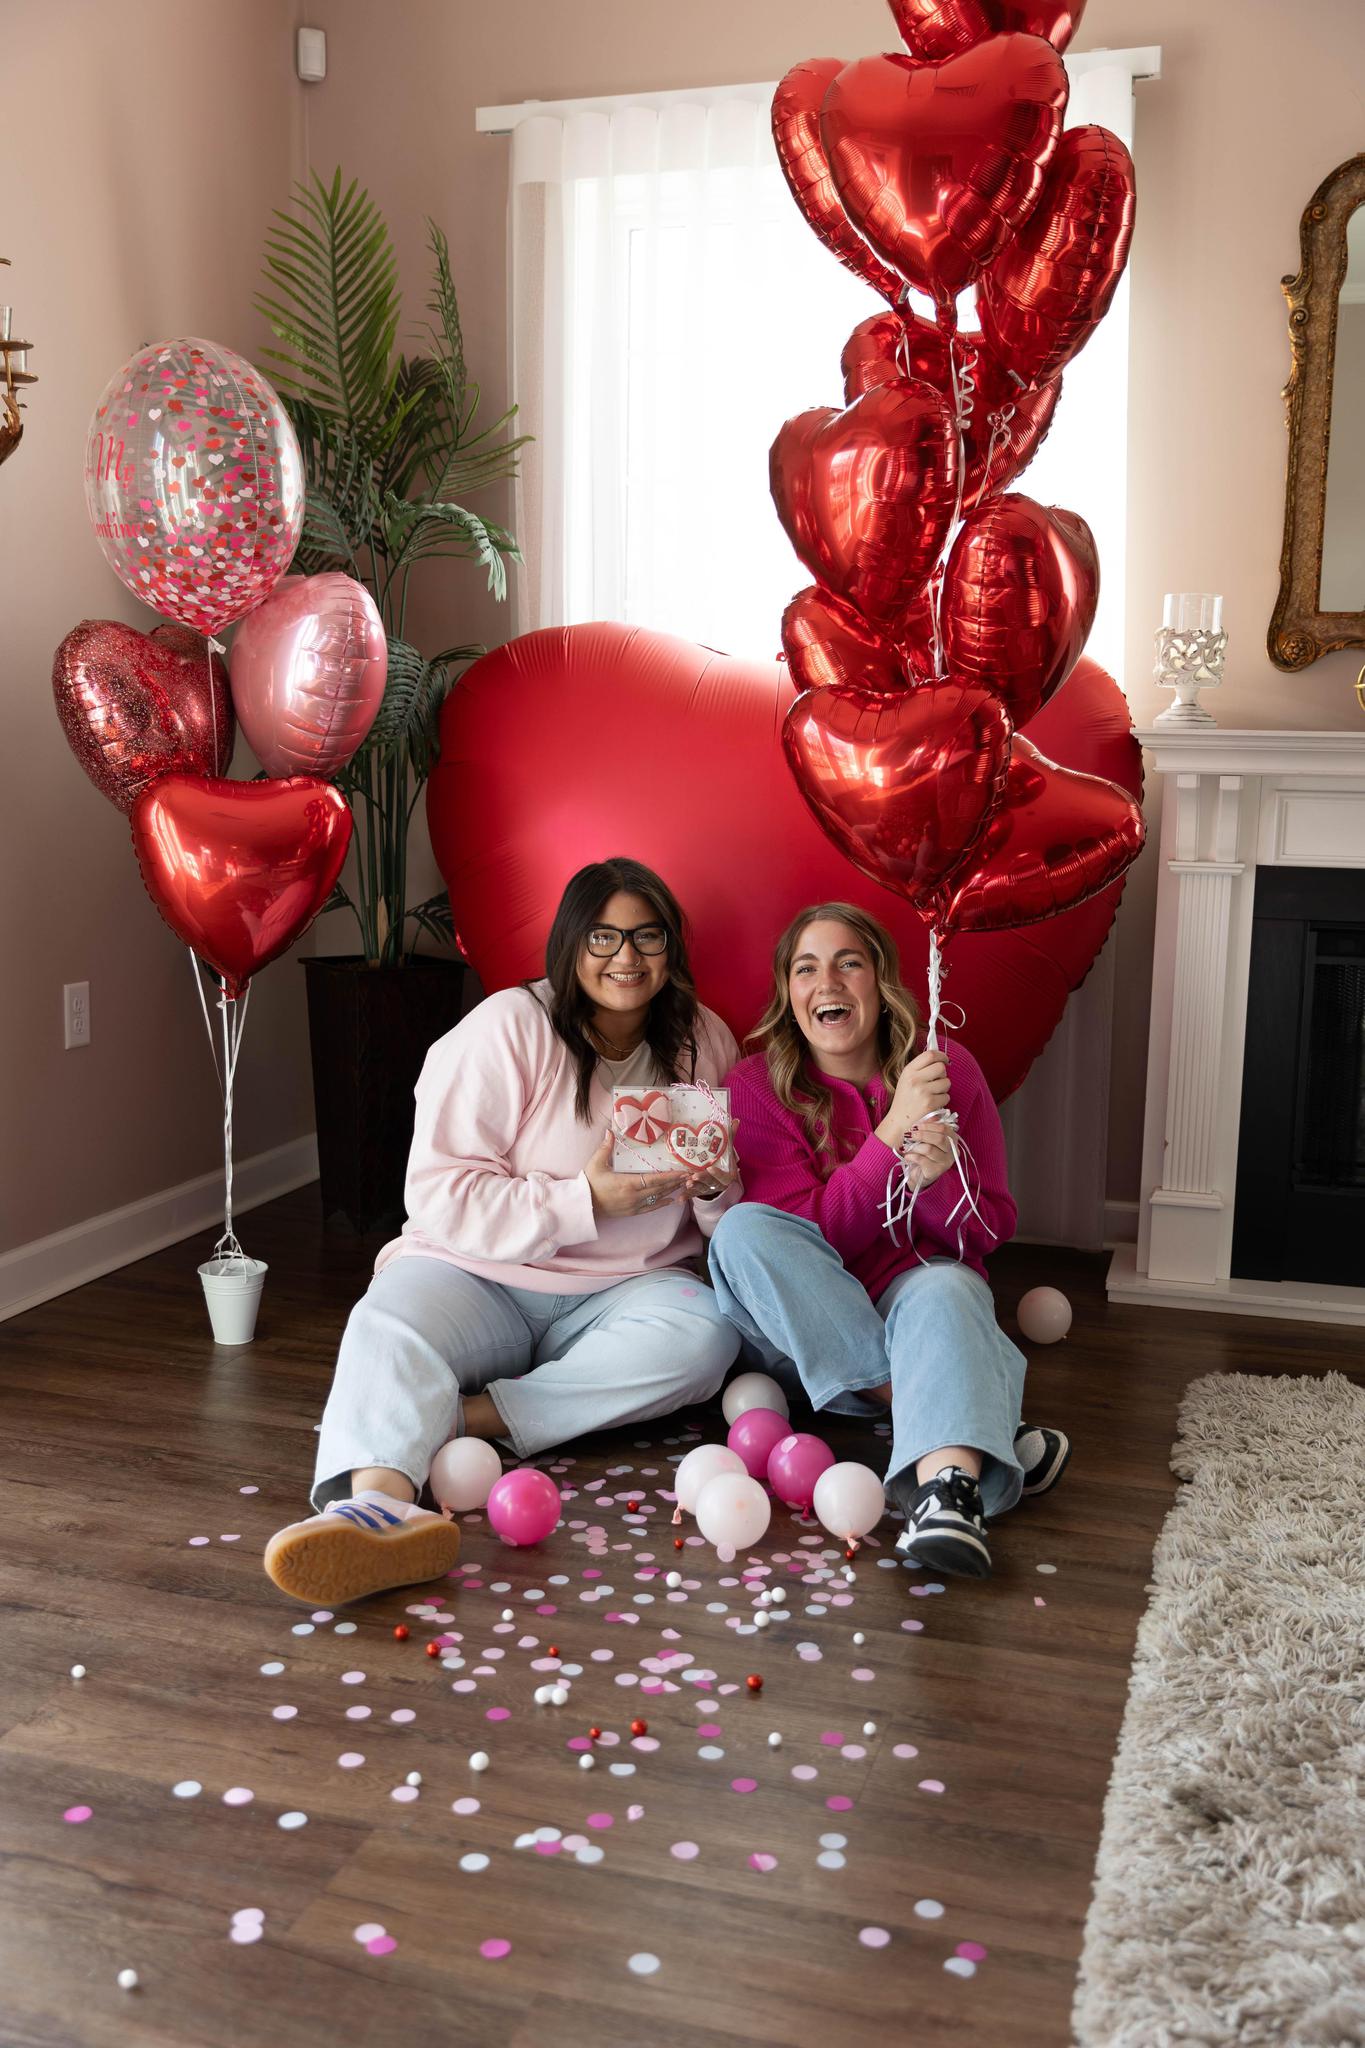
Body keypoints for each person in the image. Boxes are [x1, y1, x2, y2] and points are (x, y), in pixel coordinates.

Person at [265, 857, 742, 1606]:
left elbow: (718, 1218)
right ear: (569, 943)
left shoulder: (701, 1041)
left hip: (627, 1288)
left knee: (705, 1337)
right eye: (603, 936)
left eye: (647, 936)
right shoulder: (509, 1027)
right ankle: (375, 1510)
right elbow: (437, 1192)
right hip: (475, 1274)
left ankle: (461, 1416)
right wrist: (582, 1200)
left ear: (670, 948)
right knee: (386, 1322)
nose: (626, 956)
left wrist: (714, 1187)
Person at [707, 901, 1069, 1579]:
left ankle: (947, 1501)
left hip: (922, 1304)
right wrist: (890, 1134)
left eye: (849, 963)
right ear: (787, 991)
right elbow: (814, 1242)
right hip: (805, 1331)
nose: (828, 983)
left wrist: (935, 1183)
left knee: (948, 1284)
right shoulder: (754, 1088)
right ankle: (966, 1415)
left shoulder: (946, 1068)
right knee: (742, 1231)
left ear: (880, 980)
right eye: (806, 968)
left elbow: (989, 1230)